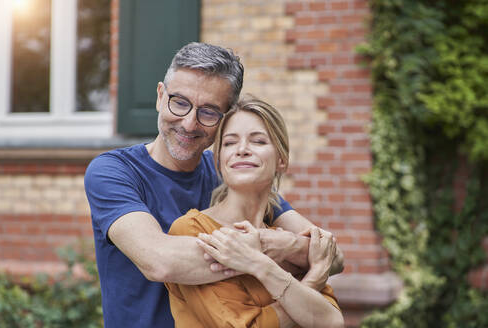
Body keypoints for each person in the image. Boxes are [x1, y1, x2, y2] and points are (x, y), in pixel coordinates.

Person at [84, 42, 344, 328]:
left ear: (226, 118)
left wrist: (284, 243)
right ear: (160, 96)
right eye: (179, 102)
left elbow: (332, 256)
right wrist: (271, 252)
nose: (189, 123)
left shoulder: (232, 174)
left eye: (208, 111)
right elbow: (159, 260)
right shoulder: (115, 171)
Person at [166, 95, 344, 328]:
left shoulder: (282, 242)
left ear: (281, 159)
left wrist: (259, 264)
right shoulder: (195, 230)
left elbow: (332, 321)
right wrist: (313, 280)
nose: (242, 150)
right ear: (218, 161)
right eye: (229, 143)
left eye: (258, 141)